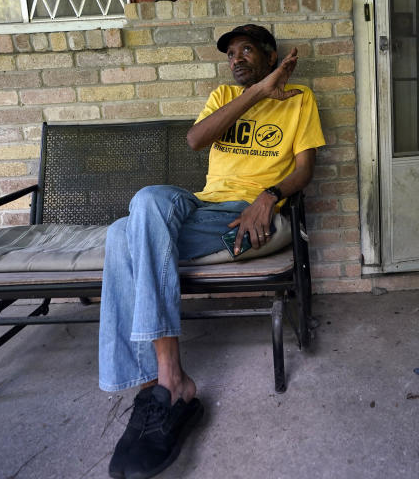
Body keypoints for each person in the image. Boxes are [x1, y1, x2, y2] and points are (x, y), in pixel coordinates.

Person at [98, 24, 325, 479]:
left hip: (244, 215)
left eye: (246, 51)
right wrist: (258, 92)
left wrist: (270, 196)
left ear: (270, 54)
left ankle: (158, 388)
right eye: (230, 55)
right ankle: (172, 382)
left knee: (121, 236)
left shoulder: (300, 101)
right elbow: (196, 140)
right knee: (146, 201)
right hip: (200, 206)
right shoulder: (225, 95)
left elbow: (304, 170)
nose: (236, 59)